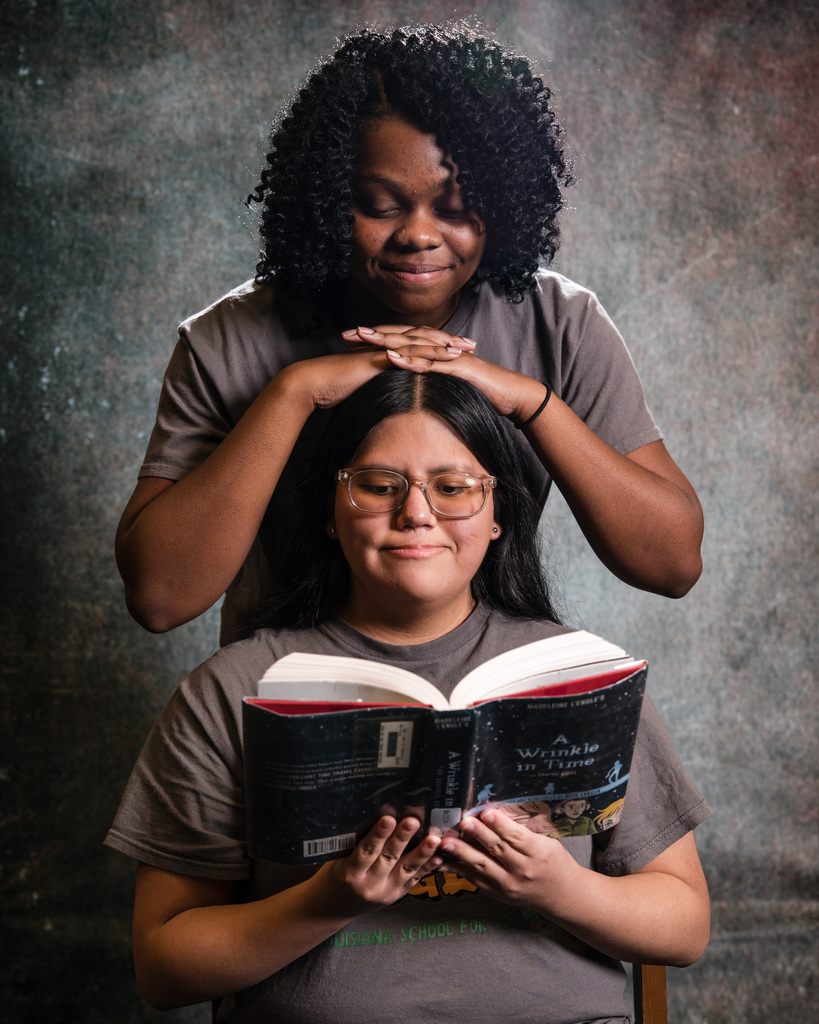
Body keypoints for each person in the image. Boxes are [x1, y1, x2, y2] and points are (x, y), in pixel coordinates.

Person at [106, 370, 711, 1023]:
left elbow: (684, 928)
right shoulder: (233, 688)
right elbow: (162, 968)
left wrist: (560, 888)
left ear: (498, 516)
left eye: (452, 488)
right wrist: (327, 900)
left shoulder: (579, 672)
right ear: (331, 515)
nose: (416, 512)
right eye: (377, 486)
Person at [115, 22, 704, 646]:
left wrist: (527, 401)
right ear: (326, 199)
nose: (420, 235)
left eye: (455, 208)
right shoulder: (228, 341)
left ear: (503, 206)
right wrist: (294, 392)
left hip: (485, 688)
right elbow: (159, 596)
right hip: (290, 696)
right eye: (380, 204)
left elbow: (671, 564)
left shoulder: (561, 325)